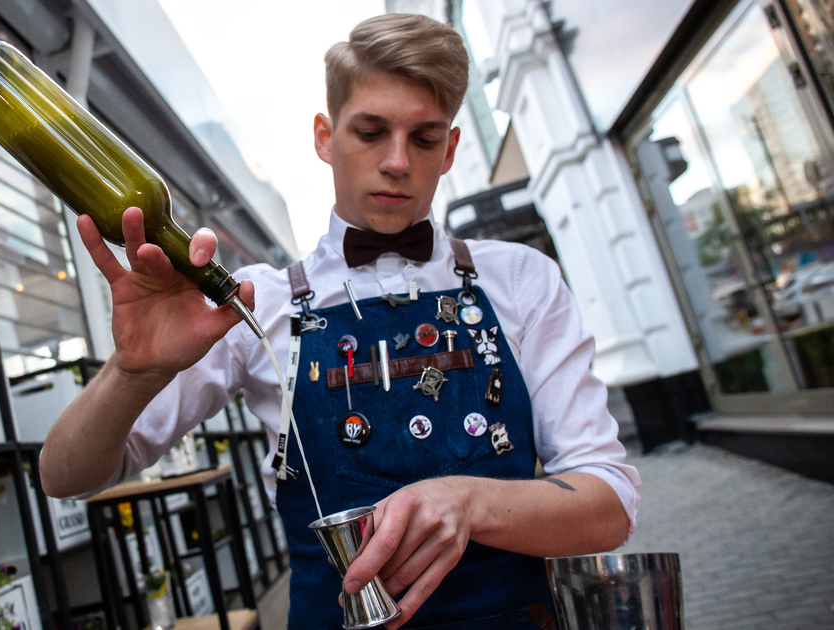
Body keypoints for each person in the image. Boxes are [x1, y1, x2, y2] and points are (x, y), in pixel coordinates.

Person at [41, 13, 639, 629]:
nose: (398, 162)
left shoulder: (520, 279)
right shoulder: (256, 304)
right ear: (325, 137)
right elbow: (65, 476)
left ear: (452, 149)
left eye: (425, 139)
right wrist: (132, 371)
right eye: (371, 133)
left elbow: (609, 505)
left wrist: (470, 500)